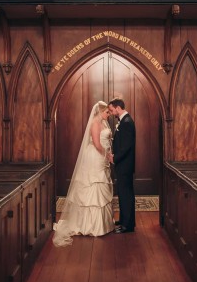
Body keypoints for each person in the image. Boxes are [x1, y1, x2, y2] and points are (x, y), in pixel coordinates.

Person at [52, 101, 115, 247]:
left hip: (103, 158)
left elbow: (106, 141)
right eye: (107, 112)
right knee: (92, 185)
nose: (109, 114)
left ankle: (103, 224)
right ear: (100, 112)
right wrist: (108, 156)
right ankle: (89, 225)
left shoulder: (104, 123)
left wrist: (108, 154)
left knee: (101, 187)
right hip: (95, 156)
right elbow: (97, 144)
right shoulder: (94, 123)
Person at [108, 97, 136, 233]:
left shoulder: (127, 122)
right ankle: (125, 220)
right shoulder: (123, 121)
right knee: (124, 194)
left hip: (125, 165)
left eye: (112, 110)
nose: (112, 113)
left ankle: (127, 226)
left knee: (126, 195)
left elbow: (126, 147)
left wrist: (114, 158)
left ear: (118, 108)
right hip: (123, 164)